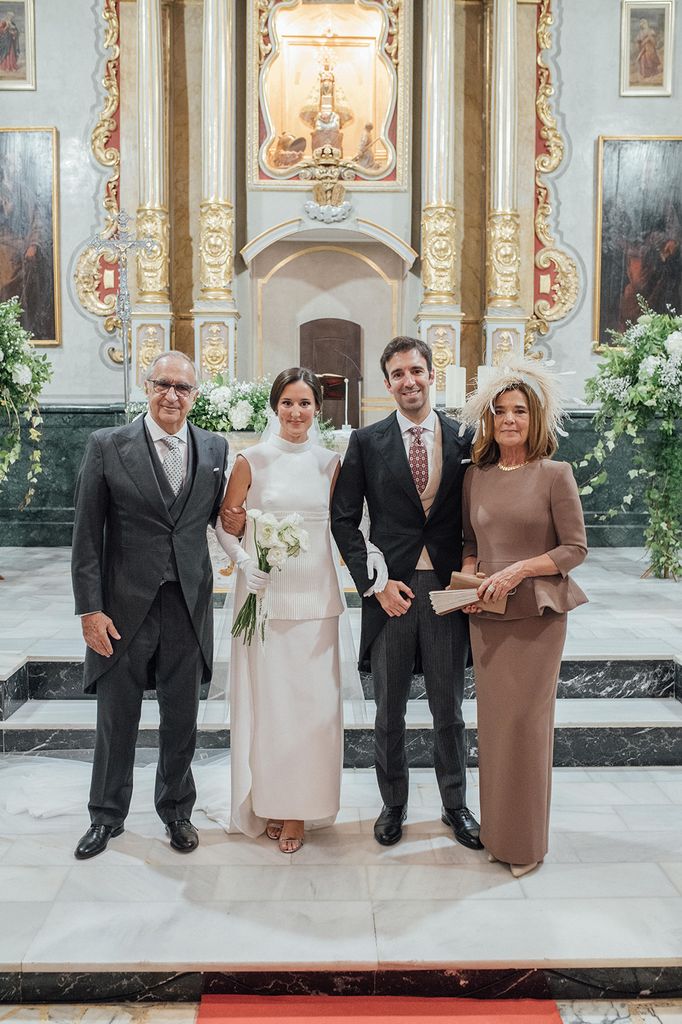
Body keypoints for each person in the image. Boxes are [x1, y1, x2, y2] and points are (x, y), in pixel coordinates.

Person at [71, 352, 228, 859]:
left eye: (183, 388)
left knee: (181, 717)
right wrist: (89, 609)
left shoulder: (214, 448)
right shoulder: (107, 446)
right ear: (147, 386)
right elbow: (86, 537)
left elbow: (221, 519)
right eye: (163, 384)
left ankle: (177, 811)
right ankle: (106, 816)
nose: (172, 395)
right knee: (118, 717)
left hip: (187, 603)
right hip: (122, 606)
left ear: (195, 396)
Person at [332, 337, 481, 850]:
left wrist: (471, 571)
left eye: (416, 370)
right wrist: (373, 584)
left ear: (431, 373)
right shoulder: (366, 442)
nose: (408, 381)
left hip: (446, 589)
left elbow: (480, 509)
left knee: (450, 709)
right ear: (388, 382)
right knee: (388, 709)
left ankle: (455, 805)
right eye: (397, 374)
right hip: (390, 591)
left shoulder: (467, 437)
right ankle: (392, 804)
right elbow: (344, 519)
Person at [459, 358, 588, 878]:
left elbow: (575, 549)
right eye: (500, 412)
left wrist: (516, 572)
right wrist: (467, 583)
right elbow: (469, 544)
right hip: (486, 615)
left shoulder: (555, 474)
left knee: (526, 727)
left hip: (537, 614)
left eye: (519, 411)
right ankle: (498, 835)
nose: (509, 419)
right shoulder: (475, 476)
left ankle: (527, 843)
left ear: (535, 419)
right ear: (488, 420)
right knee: (493, 729)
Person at [215, 368, 347, 854]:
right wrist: (244, 562)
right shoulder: (250, 460)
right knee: (270, 708)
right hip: (265, 600)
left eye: (305, 403)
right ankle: (269, 800)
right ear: (275, 407)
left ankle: (298, 810)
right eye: (288, 403)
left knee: (313, 709)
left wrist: (371, 556)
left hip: (315, 600)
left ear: (317, 409)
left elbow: (345, 527)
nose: (296, 412)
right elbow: (225, 526)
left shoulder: (330, 464)